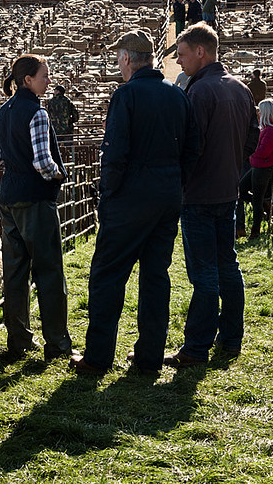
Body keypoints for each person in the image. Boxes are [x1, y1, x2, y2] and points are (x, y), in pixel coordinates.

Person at [70, 30, 199, 376]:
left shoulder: (125, 95)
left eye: (118, 57)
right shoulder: (177, 94)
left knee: (107, 275)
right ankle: (149, 357)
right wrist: (176, 184)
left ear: (127, 59)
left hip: (129, 199)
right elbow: (193, 149)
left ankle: (98, 357)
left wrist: (107, 196)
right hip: (167, 196)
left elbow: (115, 152)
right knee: (155, 275)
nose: (117, 63)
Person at [164, 23, 257, 368]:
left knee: (203, 273)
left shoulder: (199, 91)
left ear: (201, 52)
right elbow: (253, 137)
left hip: (200, 194)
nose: (181, 61)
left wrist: (183, 180)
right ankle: (231, 337)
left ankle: (196, 347)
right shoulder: (240, 88)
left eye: (184, 54)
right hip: (227, 190)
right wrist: (234, 164)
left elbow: (190, 145)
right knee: (227, 265)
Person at [0, 55, 72, 362]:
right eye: (44, 76)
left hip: (8, 197)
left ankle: (19, 341)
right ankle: (57, 344)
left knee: (15, 272)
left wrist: (15, 165)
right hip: (35, 199)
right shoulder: (37, 112)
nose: (48, 81)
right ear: (28, 80)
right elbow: (42, 163)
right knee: (49, 270)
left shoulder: (3, 111)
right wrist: (60, 173)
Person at [236, 99, 273, 239]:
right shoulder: (270, 129)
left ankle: (255, 232)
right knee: (241, 189)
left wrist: (250, 149)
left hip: (263, 167)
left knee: (256, 198)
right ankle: (264, 206)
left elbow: (263, 151)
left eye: (260, 111)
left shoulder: (271, 131)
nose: (258, 114)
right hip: (258, 165)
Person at [46, 85, 78, 153]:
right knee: (68, 148)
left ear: (58, 91)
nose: (54, 92)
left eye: (55, 90)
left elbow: (48, 114)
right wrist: (71, 121)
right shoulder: (67, 101)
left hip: (55, 129)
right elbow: (75, 114)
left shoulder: (51, 102)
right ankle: (70, 159)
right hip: (67, 128)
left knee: (55, 148)